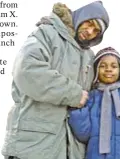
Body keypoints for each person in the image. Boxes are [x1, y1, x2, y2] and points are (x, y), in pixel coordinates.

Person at [1, 1, 109, 159]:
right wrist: (73, 94)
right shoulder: (47, 33)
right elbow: (27, 70)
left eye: (96, 31)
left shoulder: (88, 56)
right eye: (89, 23)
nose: (90, 31)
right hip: (33, 146)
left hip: (68, 149)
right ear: (81, 16)